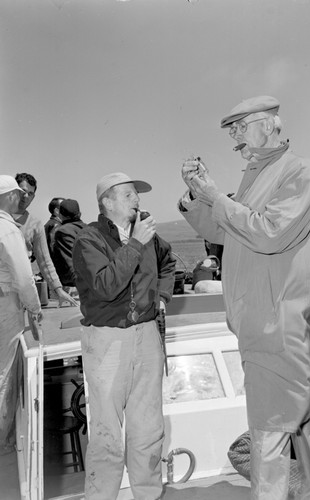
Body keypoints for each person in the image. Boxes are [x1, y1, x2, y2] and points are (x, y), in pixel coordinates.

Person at [178, 95, 310, 500]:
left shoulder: (298, 171)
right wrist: (197, 196)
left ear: (273, 123)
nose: (234, 136)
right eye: (231, 130)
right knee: (304, 425)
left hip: (279, 321)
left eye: (241, 125)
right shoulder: (256, 175)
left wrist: (217, 196)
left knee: (270, 432)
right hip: (265, 321)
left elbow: (269, 231)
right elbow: (226, 229)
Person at [72, 172, 176, 500]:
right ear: (108, 202)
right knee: (106, 432)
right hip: (106, 341)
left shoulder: (147, 236)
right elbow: (105, 286)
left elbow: (168, 263)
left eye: (137, 195)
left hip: (146, 336)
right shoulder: (88, 239)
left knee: (148, 427)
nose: (138, 201)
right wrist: (135, 245)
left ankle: (148, 493)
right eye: (130, 195)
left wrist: (161, 295)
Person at [0, 175, 42, 454]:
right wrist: (35, 308)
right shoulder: (7, 228)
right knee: (5, 374)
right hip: (7, 305)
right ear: (11, 196)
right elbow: (25, 278)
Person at [12, 173, 77, 307]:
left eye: (30, 193)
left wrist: (58, 289)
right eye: (23, 191)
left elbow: (45, 260)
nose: (26, 196)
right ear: (13, 190)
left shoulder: (35, 225)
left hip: (21, 292)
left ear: (33, 197)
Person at [52, 198, 86, 288]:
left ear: (60, 215)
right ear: (79, 214)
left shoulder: (63, 231)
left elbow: (71, 261)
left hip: (74, 286)